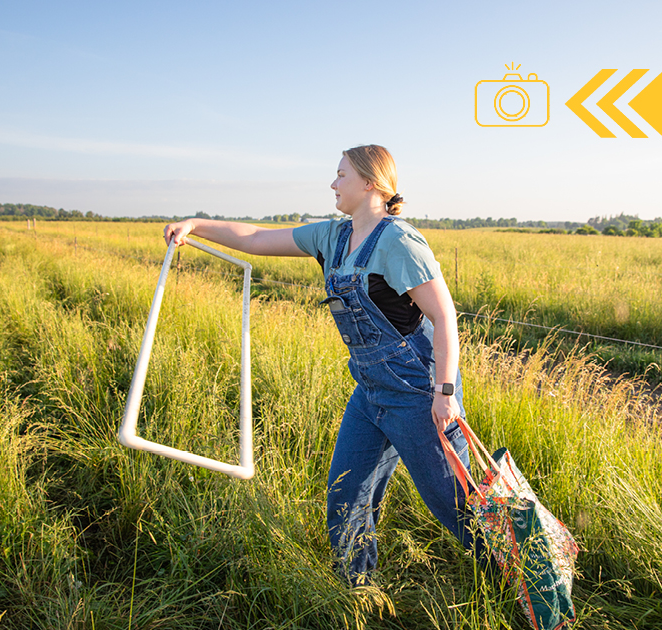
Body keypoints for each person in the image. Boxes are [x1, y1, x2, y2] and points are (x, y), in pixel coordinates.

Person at [163, 144, 476, 585]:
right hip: (369, 390)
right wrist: (195, 225)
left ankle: (536, 586)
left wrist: (444, 395)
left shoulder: (399, 241)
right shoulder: (331, 236)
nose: (333, 183)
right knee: (346, 494)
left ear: (370, 183)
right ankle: (358, 589)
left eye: (341, 175)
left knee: (457, 505)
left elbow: (444, 316)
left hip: (416, 393)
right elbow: (254, 237)